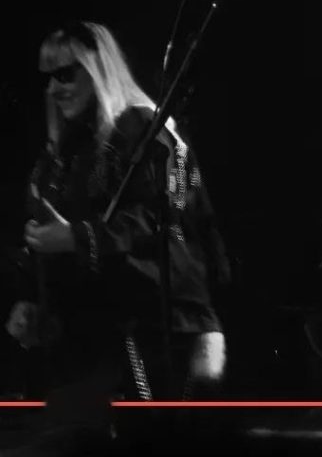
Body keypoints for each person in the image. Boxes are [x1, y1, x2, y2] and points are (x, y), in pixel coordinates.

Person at [4, 21, 228, 424]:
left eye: (65, 74)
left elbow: (164, 216)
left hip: (162, 324)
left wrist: (75, 238)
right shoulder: (66, 151)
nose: (53, 89)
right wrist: (32, 298)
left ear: (98, 69)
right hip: (102, 332)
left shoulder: (142, 127)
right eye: (47, 78)